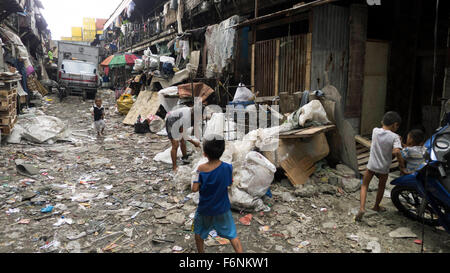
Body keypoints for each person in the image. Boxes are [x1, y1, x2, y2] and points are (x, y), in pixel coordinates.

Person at [192, 136, 243, 253]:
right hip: (223, 208)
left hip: (205, 209)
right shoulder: (228, 167)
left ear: (204, 154)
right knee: (232, 234)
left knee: (198, 232)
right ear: (223, 151)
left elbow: (194, 189)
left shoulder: (201, 169)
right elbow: (229, 183)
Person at [356, 111, 403, 222]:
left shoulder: (375, 131)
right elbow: (397, 151)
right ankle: (376, 206)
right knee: (381, 187)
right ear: (395, 125)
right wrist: (402, 166)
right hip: (384, 167)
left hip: (371, 165)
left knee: (364, 185)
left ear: (383, 122)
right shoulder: (395, 137)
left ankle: (362, 208)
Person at [165, 106, 201, 172]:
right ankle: (174, 166)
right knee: (175, 145)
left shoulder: (192, 114)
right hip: (171, 122)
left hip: (178, 122)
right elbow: (183, 133)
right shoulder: (186, 117)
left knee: (183, 141)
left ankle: (185, 158)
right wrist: (194, 142)